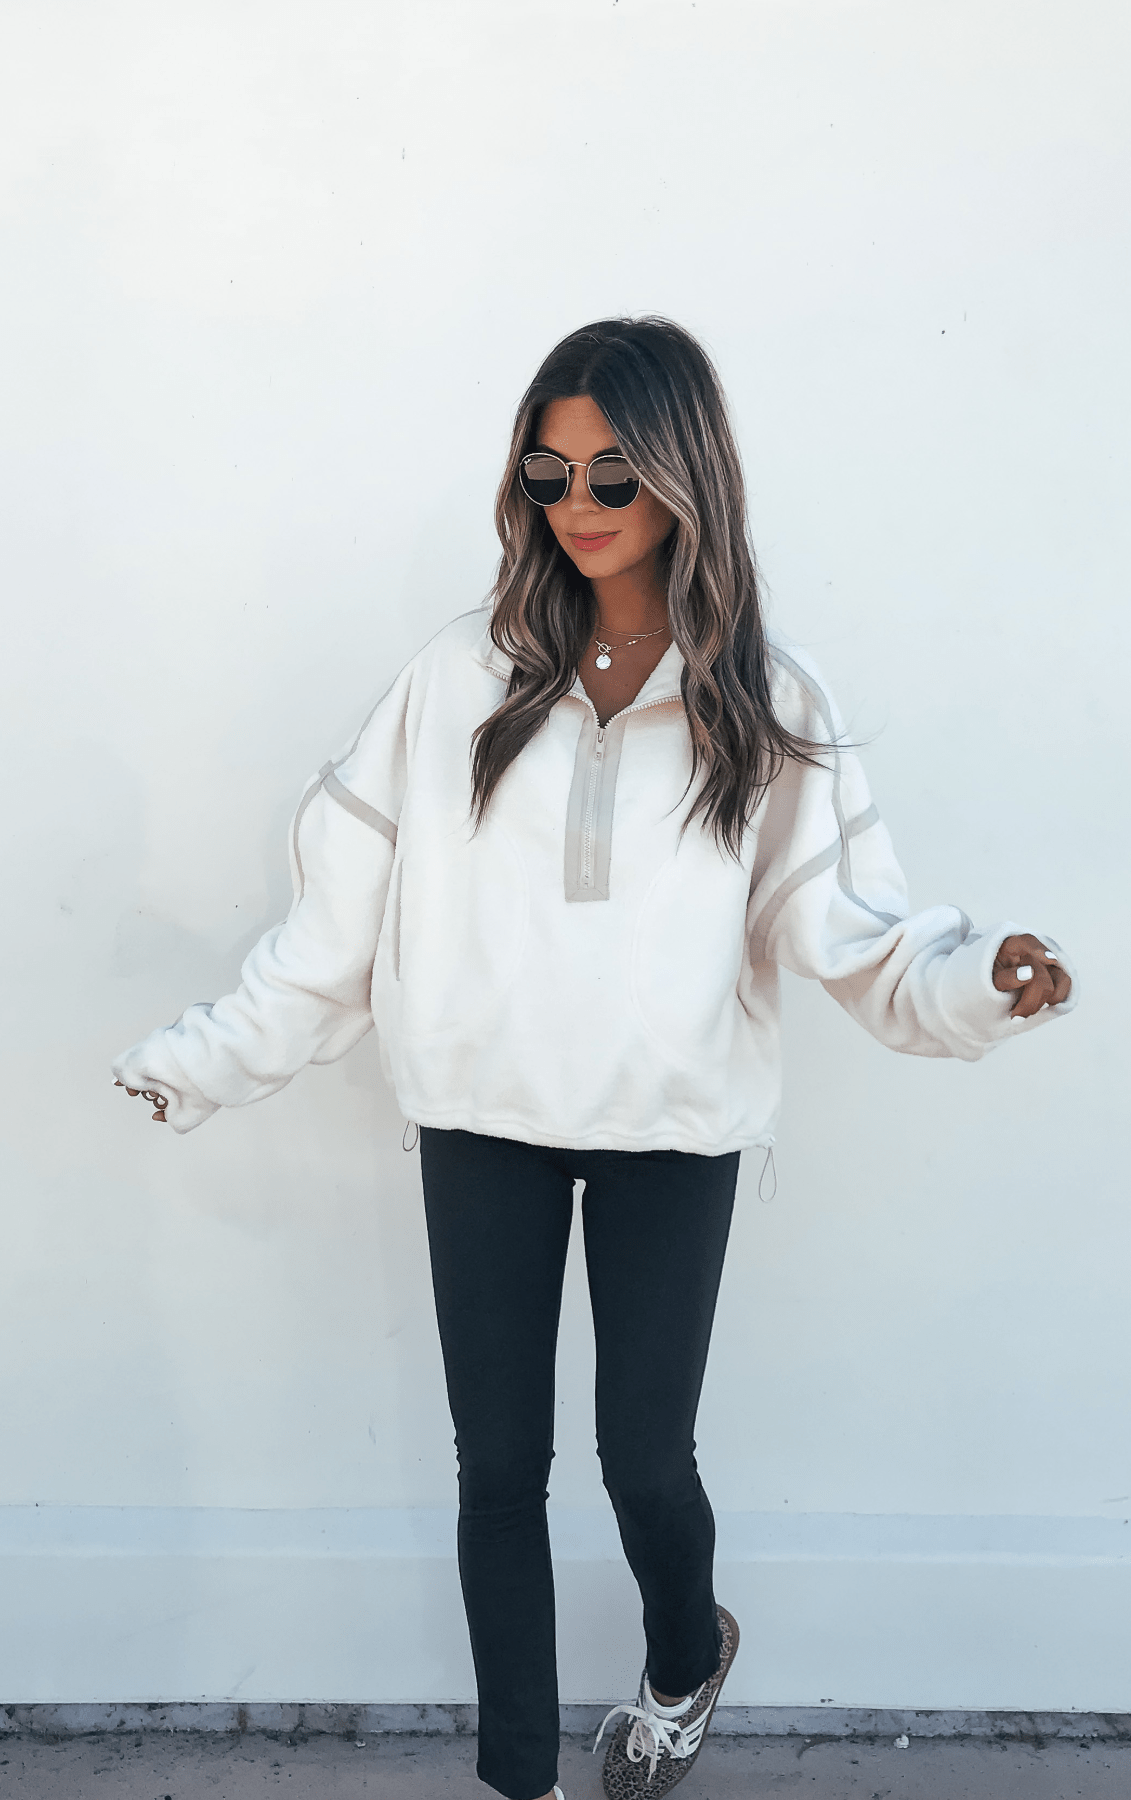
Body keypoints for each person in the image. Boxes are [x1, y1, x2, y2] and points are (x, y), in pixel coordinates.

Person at [113, 316, 1076, 1800]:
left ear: (685, 479)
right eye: (548, 470)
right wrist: (209, 1058)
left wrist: (986, 985)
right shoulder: (457, 679)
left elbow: (868, 942)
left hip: (675, 1133)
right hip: (478, 1119)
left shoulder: (770, 702)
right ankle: (524, 1781)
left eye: (613, 475)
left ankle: (686, 1660)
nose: (576, 503)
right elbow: (336, 926)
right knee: (498, 1472)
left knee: (644, 1464)